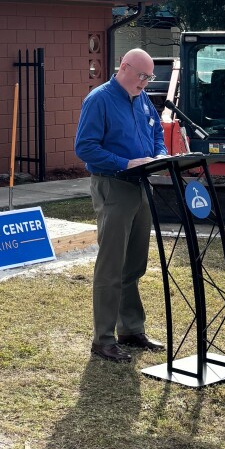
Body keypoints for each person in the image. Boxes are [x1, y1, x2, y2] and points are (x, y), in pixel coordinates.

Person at [74, 48, 168, 363]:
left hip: (141, 186)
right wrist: (126, 162)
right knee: (111, 267)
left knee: (135, 265)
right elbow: (84, 147)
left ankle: (131, 329)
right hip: (113, 186)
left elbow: (157, 134)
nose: (145, 82)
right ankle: (103, 339)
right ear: (124, 68)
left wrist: (159, 156)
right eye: (141, 76)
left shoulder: (142, 100)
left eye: (149, 77)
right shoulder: (99, 99)